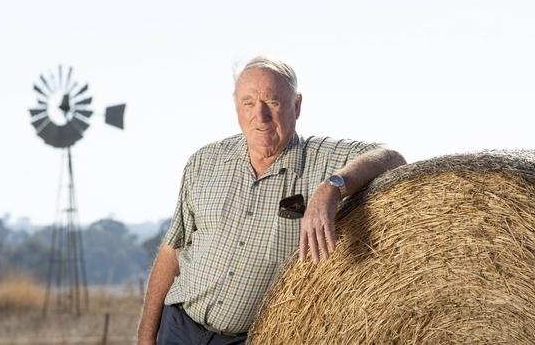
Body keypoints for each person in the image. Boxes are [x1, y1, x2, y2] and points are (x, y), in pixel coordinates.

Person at [136, 56, 406, 345]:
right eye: (248, 103)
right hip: (177, 327)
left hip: (252, 338)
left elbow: (391, 157)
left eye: (273, 102)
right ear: (236, 107)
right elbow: (172, 252)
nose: (260, 116)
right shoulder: (203, 162)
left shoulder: (323, 160)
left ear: (297, 105)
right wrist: (146, 336)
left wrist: (332, 187)